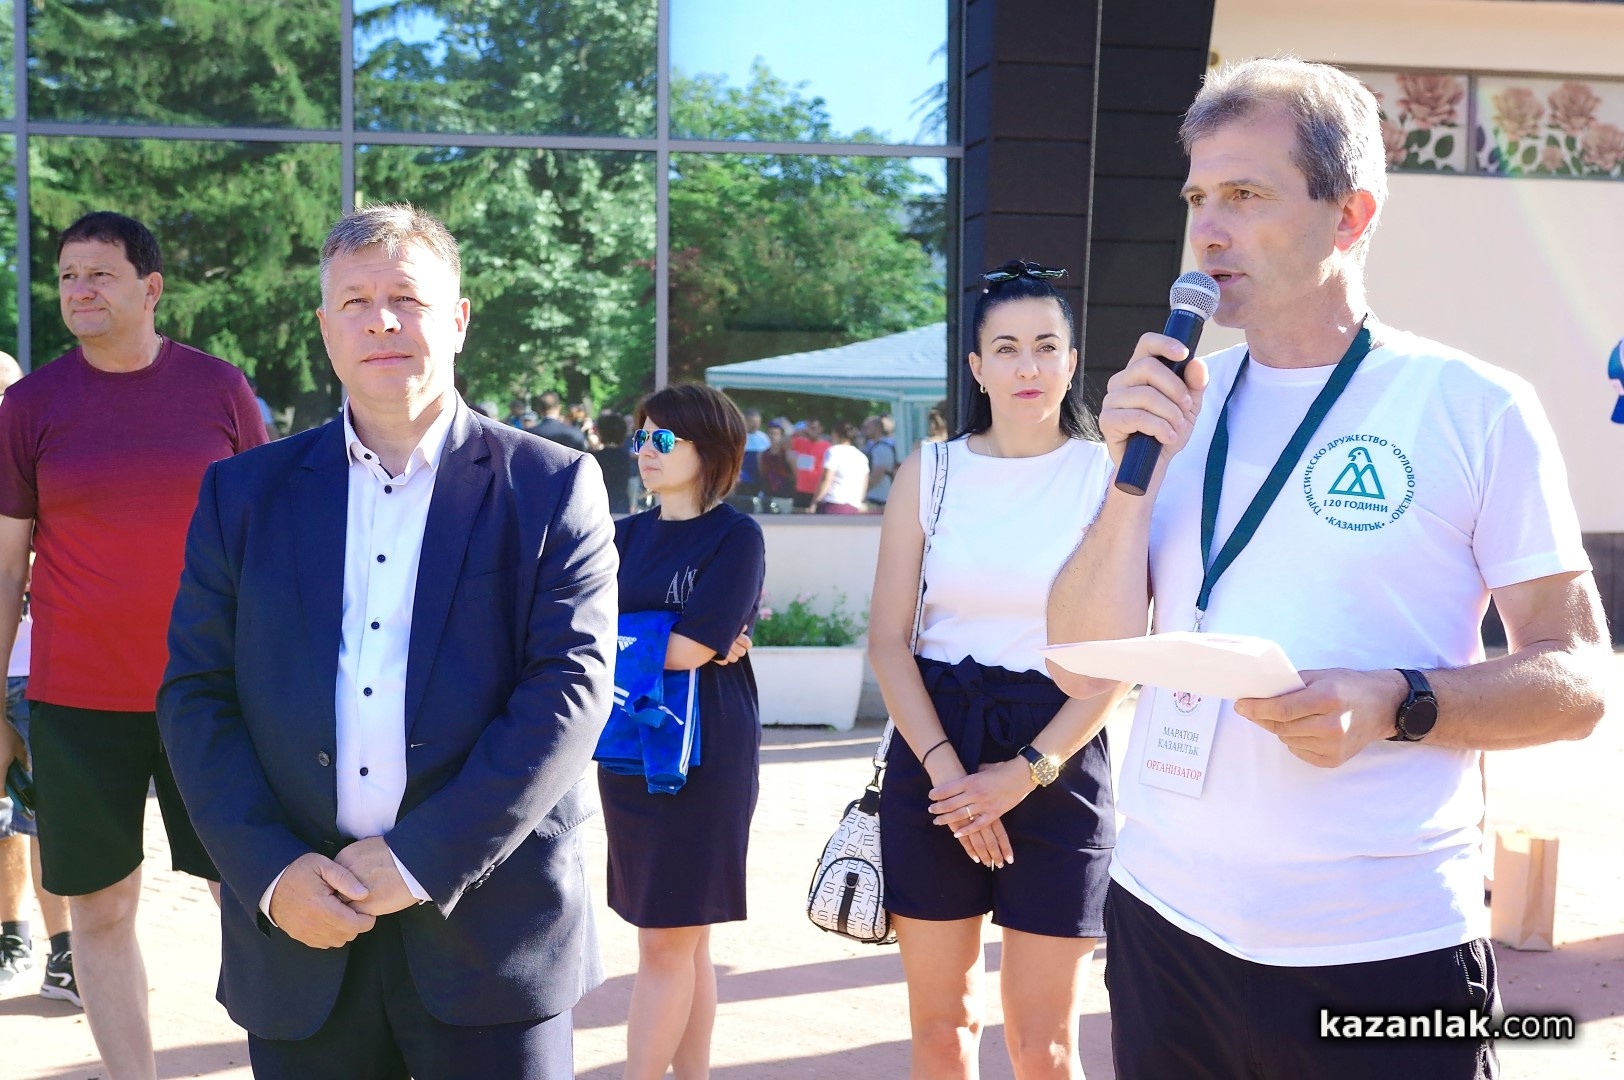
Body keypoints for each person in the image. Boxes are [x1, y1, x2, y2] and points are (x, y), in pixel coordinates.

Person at [1047, 58, 1610, 1080]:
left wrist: (1397, 702)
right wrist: (1130, 477)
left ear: (1349, 216)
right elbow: (1079, 660)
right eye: (1197, 199)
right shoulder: (1170, 404)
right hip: (1165, 922)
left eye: (1245, 195)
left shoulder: (1471, 406)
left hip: (1383, 945)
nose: (1208, 231)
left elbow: (1576, 681)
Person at [157, 203, 618, 1077]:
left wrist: (418, 861)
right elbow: (195, 696)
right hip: (301, 936)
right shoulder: (241, 495)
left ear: (458, 318)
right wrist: (270, 872)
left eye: (406, 297)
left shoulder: (552, 485)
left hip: (491, 938)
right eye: (355, 301)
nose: (382, 321)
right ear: (326, 328)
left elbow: (569, 692)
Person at [0, 212, 265, 1077]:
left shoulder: (220, 390)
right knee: (102, 910)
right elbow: (5, 568)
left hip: (212, 695)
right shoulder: (28, 405)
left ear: (150, 288)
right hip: (75, 703)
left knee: (254, 897)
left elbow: (267, 549)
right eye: (67, 276)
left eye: (99, 275)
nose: (79, 290)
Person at [868, 260, 1124, 1079]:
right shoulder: (931, 471)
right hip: (936, 742)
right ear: (977, 368)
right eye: (1006, 349)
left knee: (1044, 1046)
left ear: (1073, 362)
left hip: (1060, 746)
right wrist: (951, 779)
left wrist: (1024, 773)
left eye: (1046, 346)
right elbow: (888, 641)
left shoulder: (1110, 476)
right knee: (942, 1029)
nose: (1027, 366)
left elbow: (1121, 655)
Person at [600, 383, 765, 1080]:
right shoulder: (620, 535)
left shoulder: (736, 536)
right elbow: (572, 629)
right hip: (628, 747)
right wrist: (672, 636)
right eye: (641, 436)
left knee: (667, 940)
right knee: (682, 940)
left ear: (711, 449)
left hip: (707, 751)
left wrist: (640, 637)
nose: (646, 449)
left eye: (663, 438)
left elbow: (693, 648)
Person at [0, 351, 76, 1008]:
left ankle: (66, 954)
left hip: (38, 671)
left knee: (46, 816)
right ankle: (17, 939)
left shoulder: (43, 463)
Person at [813, 421, 870, 515]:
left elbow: (826, 480)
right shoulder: (862, 457)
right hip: (853, 506)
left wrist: (815, 501)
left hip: (832, 503)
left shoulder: (833, 452)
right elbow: (864, 484)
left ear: (836, 434)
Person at [592, 411, 634, 515]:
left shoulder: (593, 457)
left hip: (597, 508)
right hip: (621, 506)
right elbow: (630, 483)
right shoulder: (625, 457)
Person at [789, 418, 830, 511]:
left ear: (820, 429)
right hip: (801, 489)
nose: (810, 431)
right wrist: (796, 432)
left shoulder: (827, 447)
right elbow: (784, 442)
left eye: (813, 428)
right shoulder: (800, 442)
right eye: (808, 428)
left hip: (817, 491)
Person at [863, 414, 899, 510]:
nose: (864, 430)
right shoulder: (873, 447)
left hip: (878, 498)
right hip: (875, 496)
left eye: (867, 427)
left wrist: (862, 491)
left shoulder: (882, 448)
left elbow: (877, 475)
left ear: (877, 428)